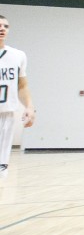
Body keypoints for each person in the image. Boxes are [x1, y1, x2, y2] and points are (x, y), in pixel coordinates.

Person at [0, 14, 36, 172]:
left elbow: (22, 86)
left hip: (6, 114)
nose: (2, 28)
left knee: (2, 168)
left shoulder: (18, 55)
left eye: (6, 26)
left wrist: (29, 106)